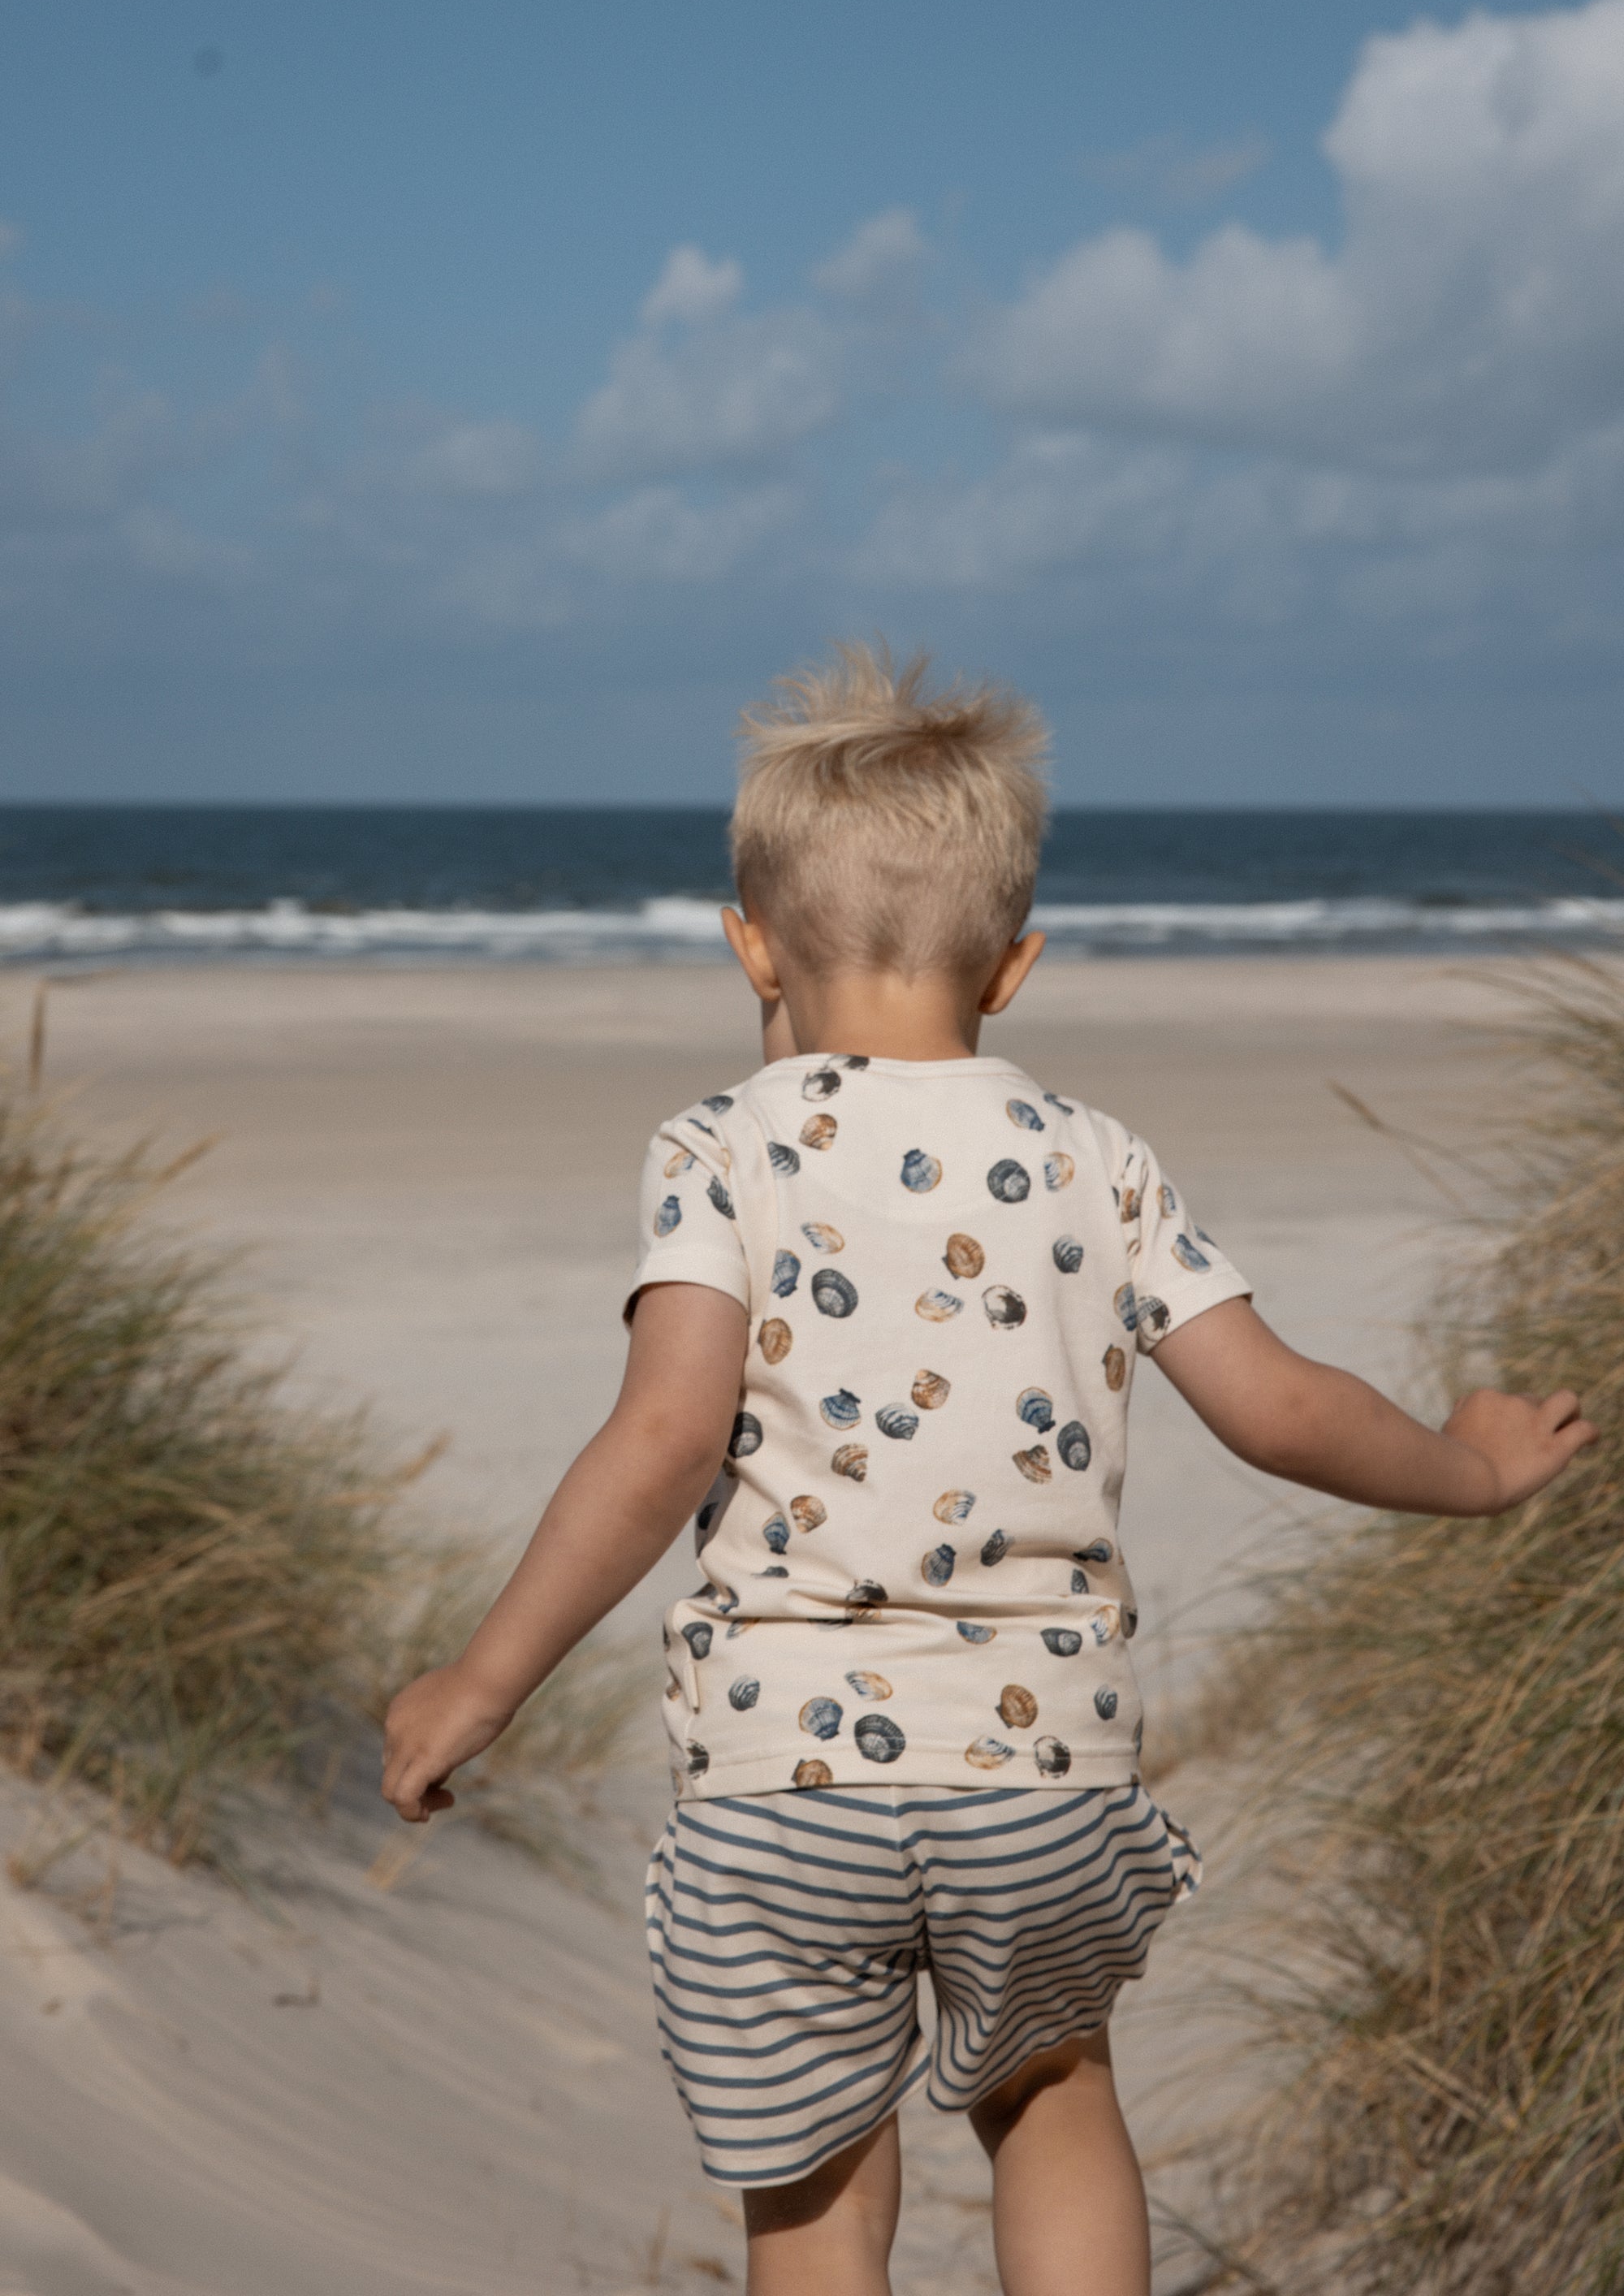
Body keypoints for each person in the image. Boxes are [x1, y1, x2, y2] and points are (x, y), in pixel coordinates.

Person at [381, 645, 1596, 2296]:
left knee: (814, 2178)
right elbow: (1278, 1409)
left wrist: (482, 1682)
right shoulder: (1093, 1157)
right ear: (1014, 969)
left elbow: (662, 1440)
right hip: (1040, 1776)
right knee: (1051, 2092)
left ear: (750, 945)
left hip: (781, 1783)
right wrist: (1470, 1467)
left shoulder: (721, 1149)